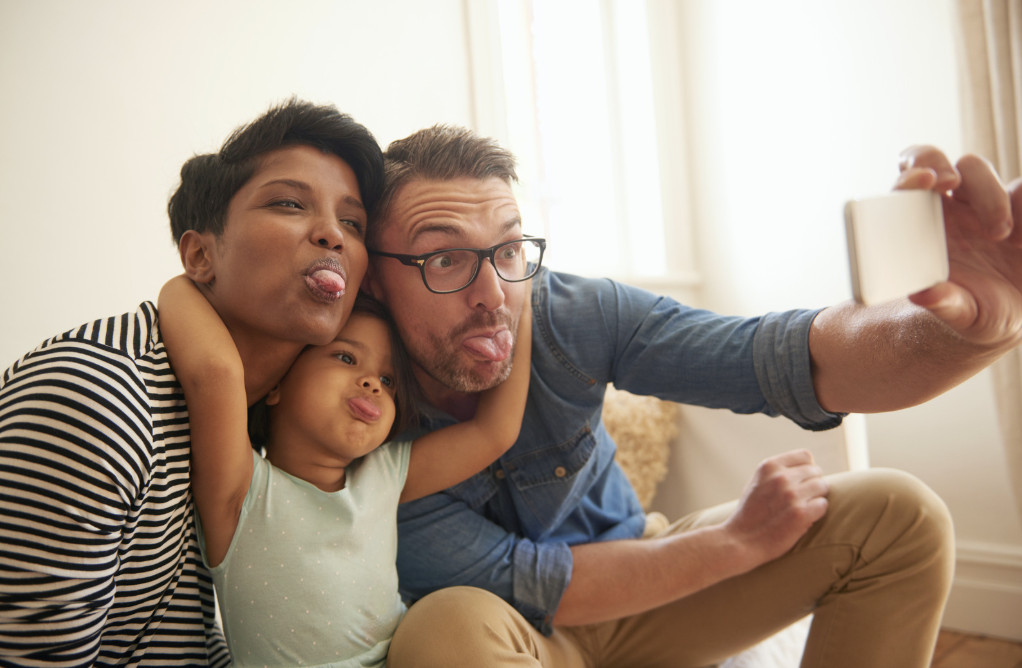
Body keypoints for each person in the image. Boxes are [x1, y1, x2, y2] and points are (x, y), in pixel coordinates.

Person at [360, 125, 1022, 668]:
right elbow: (534, 583)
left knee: (901, 515)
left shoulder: (568, 313)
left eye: (508, 251)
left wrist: (964, 327)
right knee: (442, 631)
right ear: (373, 279)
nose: (493, 295)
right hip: (515, 633)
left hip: (652, 583)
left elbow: (786, 360)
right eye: (444, 259)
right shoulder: (348, 412)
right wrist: (733, 542)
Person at [0, 99, 385, 666]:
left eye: (352, 223)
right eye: (288, 203)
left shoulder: (253, 422)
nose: (333, 234)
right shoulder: (95, 397)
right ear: (200, 255)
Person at [155, 276, 532, 667]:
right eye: (347, 358)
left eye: (388, 380)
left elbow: (494, 432)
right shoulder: (240, 490)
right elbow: (216, 372)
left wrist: (520, 296)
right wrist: (179, 281)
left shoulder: (386, 475)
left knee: (457, 621)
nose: (372, 384)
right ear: (275, 383)